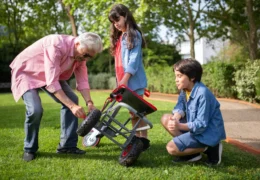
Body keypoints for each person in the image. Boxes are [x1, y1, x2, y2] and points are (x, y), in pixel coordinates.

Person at [10, 32, 103, 162]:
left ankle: (67, 146)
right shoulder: (56, 45)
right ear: (77, 43)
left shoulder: (80, 56)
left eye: (90, 57)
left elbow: (82, 80)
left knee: (73, 100)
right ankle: (29, 149)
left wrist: (89, 102)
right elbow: (52, 83)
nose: (86, 58)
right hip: (27, 72)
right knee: (35, 110)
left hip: (51, 75)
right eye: (86, 54)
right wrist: (71, 106)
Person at [161, 58, 226, 165]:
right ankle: (193, 154)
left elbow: (201, 124)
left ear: (192, 77)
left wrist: (179, 126)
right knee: (166, 119)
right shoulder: (185, 90)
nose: (176, 80)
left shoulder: (203, 94)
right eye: (175, 76)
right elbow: (180, 106)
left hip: (207, 132)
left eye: (179, 76)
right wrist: (176, 118)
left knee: (171, 148)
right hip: (195, 129)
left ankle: (210, 147)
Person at [108, 4, 150, 150]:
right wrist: (120, 81)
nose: (116, 24)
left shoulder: (134, 35)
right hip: (124, 81)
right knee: (132, 113)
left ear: (125, 15)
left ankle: (143, 140)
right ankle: (137, 137)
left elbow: (133, 60)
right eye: (113, 22)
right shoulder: (121, 37)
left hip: (133, 82)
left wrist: (125, 79)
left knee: (138, 112)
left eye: (117, 19)